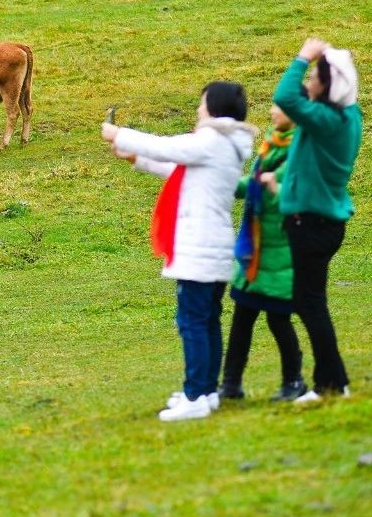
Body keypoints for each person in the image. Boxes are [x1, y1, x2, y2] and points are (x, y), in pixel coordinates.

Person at [102, 83, 256, 421]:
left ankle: (196, 394)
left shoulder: (212, 140)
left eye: (202, 104)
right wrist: (135, 157)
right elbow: (180, 171)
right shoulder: (222, 146)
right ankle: (205, 389)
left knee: (193, 323)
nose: (198, 110)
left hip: (200, 250)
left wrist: (119, 133)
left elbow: (168, 147)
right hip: (210, 249)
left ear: (214, 108)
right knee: (206, 321)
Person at [270, 38, 362, 403]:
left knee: (310, 304)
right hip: (322, 222)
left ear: (328, 84)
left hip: (311, 225)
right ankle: (332, 380)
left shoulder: (326, 119)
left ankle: (332, 385)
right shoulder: (345, 115)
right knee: (312, 302)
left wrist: (301, 58)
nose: (307, 82)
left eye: (313, 77)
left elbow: (286, 98)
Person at [221, 102, 306, 402]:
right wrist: (228, 184)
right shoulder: (273, 141)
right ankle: (231, 385)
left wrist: (252, 185)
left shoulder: (299, 149)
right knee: (242, 318)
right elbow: (257, 183)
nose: (271, 111)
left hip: (278, 251)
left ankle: (294, 380)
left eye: (279, 107)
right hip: (257, 250)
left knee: (278, 319)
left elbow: (279, 189)